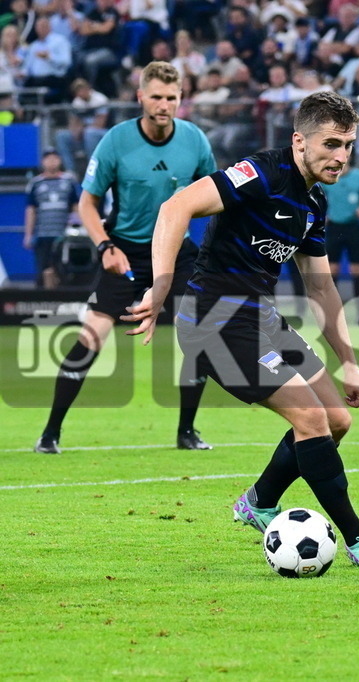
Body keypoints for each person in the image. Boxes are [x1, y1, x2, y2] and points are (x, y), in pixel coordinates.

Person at [121, 91, 359, 569]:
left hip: (260, 318)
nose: (341, 156)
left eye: (349, 145)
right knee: (311, 421)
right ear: (300, 141)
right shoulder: (260, 174)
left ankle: (259, 501)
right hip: (213, 322)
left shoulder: (314, 202)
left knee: (337, 420)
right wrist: (160, 285)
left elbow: (322, 290)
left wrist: (352, 363)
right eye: (331, 144)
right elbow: (176, 208)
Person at [34, 61, 217, 455]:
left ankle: (187, 431)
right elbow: (87, 204)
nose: (163, 104)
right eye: (155, 97)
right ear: (140, 97)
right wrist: (105, 247)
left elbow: (217, 195)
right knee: (91, 336)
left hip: (177, 252)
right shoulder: (116, 141)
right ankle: (50, 433)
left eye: (171, 97)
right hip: (126, 251)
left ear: (180, 99)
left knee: (197, 338)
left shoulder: (196, 140)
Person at [24, 148, 78, 289]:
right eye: (48, 158)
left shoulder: (68, 181)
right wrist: (28, 235)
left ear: (60, 160)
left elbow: (76, 206)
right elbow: (31, 210)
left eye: (55, 158)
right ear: (43, 162)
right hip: (43, 234)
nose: (52, 161)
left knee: (63, 271)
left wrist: (77, 228)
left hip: (63, 235)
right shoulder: (35, 183)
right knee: (42, 271)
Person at [320, 162, 359, 304]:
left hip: (353, 226)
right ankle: (333, 305)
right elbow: (316, 196)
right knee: (332, 268)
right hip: (334, 226)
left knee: (356, 268)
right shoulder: (327, 177)